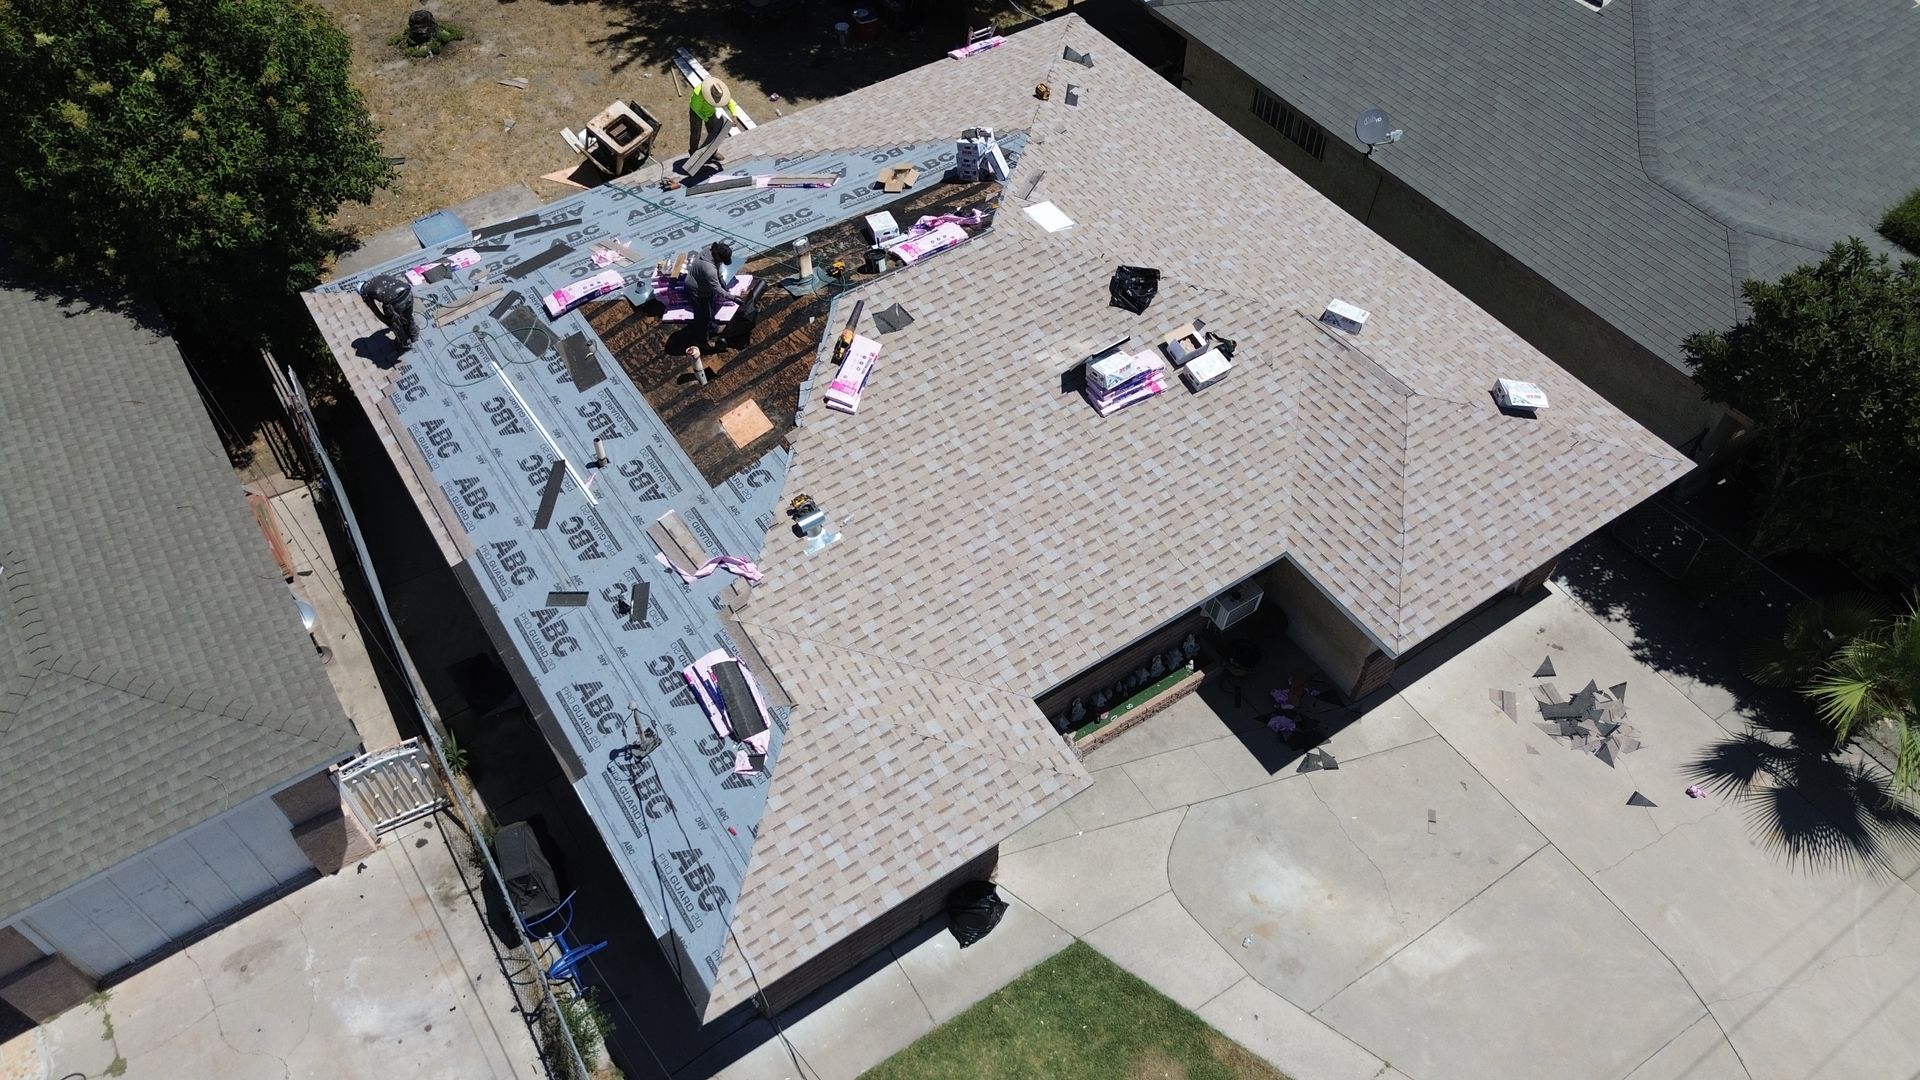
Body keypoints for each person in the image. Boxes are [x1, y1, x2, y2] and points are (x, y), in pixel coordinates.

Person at [685, 242, 734, 347]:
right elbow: (716, 288)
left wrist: (723, 283)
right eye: (722, 260)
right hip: (696, 292)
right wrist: (732, 297)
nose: (721, 262)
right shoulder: (709, 268)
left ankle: (713, 328)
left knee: (710, 310)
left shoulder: (709, 252)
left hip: (705, 287)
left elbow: (718, 271)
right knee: (702, 318)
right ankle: (702, 341)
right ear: (717, 255)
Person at [685, 76, 733, 167]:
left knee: (714, 132)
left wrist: (734, 115)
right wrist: (706, 119)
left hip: (710, 112)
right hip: (696, 113)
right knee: (696, 134)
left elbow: (729, 102)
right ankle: (693, 154)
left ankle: (713, 153)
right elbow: (696, 109)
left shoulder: (719, 91)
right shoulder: (698, 93)